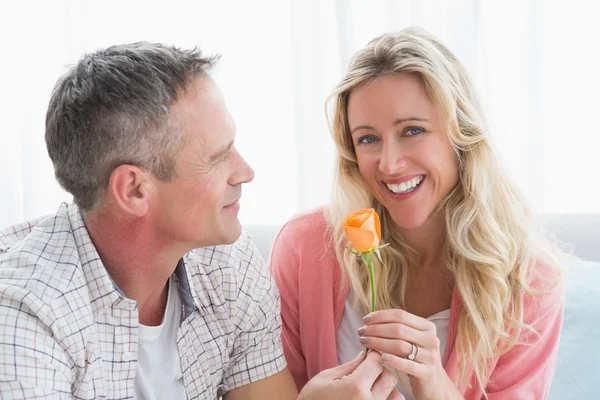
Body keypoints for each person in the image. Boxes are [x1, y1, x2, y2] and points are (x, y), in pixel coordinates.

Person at [0, 42, 402, 400]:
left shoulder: (226, 263)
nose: (245, 171)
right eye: (217, 157)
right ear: (135, 190)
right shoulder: (26, 315)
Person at [269, 27, 564, 400]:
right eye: (368, 139)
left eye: (412, 130)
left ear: (462, 135)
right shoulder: (304, 248)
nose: (389, 164)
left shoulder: (528, 279)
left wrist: (435, 385)